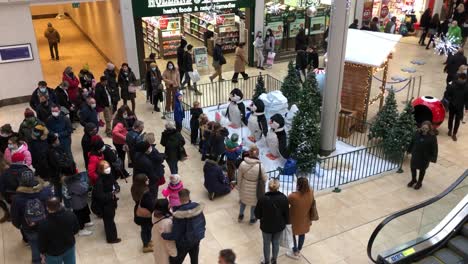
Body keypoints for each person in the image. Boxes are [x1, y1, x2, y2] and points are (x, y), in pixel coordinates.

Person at [10, 173, 53, 264]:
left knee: (34, 246)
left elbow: (15, 216)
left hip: (30, 227)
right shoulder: (46, 190)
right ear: (35, 179)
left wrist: (19, 225)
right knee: (49, 243)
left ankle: (37, 261)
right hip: (46, 224)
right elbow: (53, 205)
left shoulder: (17, 198)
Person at [161, 189, 206, 264]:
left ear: (179, 199)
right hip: (196, 238)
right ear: (189, 196)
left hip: (184, 244)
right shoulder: (197, 207)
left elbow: (175, 235)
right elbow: (203, 222)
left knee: (176, 261)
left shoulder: (179, 215)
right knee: (194, 259)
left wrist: (163, 235)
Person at [255, 179, 289, 264]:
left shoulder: (262, 199)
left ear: (268, 187)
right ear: (278, 187)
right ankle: (274, 260)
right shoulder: (284, 198)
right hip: (279, 226)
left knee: (266, 244)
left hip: (266, 226)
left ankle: (267, 261)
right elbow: (287, 214)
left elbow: (257, 214)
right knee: (276, 242)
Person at [38, 197, 79, 263]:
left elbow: (42, 241)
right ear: (60, 204)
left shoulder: (43, 224)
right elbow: (76, 229)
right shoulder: (70, 214)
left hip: (53, 253)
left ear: (47, 208)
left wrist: (42, 253)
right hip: (69, 247)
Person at [91, 160, 121, 243]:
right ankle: (112, 238)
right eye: (106, 168)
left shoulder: (109, 175)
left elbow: (114, 182)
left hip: (111, 201)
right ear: (101, 170)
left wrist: (117, 187)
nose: (108, 169)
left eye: (108, 166)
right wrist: (111, 194)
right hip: (105, 205)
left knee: (110, 219)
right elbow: (100, 196)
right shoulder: (99, 182)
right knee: (109, 222)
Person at [286, 177, 315, 260]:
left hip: (294, 220)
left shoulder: (293, 196)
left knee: (293, 234)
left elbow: (286, 203)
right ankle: (299, 249)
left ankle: (295, 251)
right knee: (302, 234)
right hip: (305, 218)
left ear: (298, 185)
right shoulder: (311, 192)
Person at [237, 145, 267, 224]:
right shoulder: (260, 166)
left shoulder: (243, 163)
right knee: (253, 204)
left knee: (243, 202)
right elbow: (265, 178)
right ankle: (252, 219)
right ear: (257, 154)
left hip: (244, 186)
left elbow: (239, 177)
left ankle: (240, 215)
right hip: (255, 188)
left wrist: (239, 187)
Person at [407, 121, 438, 190]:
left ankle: (419, 182)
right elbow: (412, 142)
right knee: (413, 168)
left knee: (422, 170)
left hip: (425, 157)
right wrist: (409, 150)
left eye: (426, 129)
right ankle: (413, 180)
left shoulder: (432, 137)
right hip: (415, 154)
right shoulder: (417, 133)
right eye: (423, 128)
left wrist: (433, 158)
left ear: (429, 129)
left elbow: (435, 148)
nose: (424, 130)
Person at [131, 174, 156, 253]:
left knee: (144, 229)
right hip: (145, 216)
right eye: (146, 179)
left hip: (139, 212)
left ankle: (148, 241)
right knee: (146, 230)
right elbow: (151, 206)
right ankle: (145, 245)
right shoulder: (146, 194)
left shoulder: (134, 188)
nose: (148, 180)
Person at [63, 172, 93, 236]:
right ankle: (81, 230)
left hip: (80, 201)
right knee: (79, 215)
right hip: (77, 203)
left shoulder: (69, 182)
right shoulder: (74, 184)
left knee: (84, 211)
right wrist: (86, 184)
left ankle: (86, 222)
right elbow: (83, 189)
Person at [47, 133, 74, 199]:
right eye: (57, 139)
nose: (58, 140)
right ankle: (59, 200)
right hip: (57, 174)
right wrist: (70, 164)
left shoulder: (57, 148)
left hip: (59, 172)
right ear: (54, 142)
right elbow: (60, 164)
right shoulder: (52, 153)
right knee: (58, 188)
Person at [152, 199, 177, 264]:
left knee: (159, 258)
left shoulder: (154, 214)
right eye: (168, 203)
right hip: (164, 247)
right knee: (164, 260)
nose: (170, 204)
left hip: (156, 239)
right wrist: (173, 253)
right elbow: (168, 241)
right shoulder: (167, 223)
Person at [445, 72, 468, 141]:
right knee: (454, 119)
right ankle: (452, 132)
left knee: (454, 119)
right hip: (456, 105)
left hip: (456, 105)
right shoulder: (454, 85)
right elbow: (447, 94)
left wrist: (467, 107)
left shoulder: (465, 87)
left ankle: (452, 132)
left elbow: (467, 98)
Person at [112, 105, 131, 178]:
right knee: (121, 158)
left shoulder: (117, 119)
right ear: (121, 114)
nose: (126, 115)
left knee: (120, 157)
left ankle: (120, 172)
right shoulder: (119, 123)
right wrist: (124, 137)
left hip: (116, 141)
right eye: (125, 113)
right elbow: (115, 132)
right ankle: (123, 174)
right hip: (120, 143)